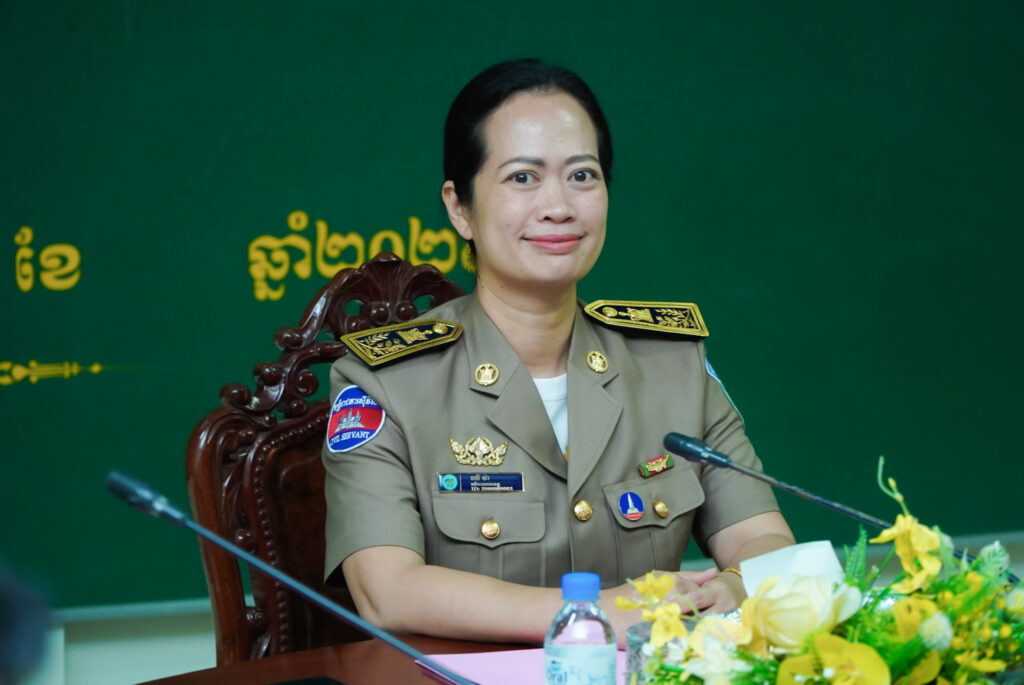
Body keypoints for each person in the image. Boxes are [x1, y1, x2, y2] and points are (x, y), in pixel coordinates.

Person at [322, 58, 795, 645]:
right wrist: (592, 613)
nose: (559, 206)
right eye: (523, 177)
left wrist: (734, 587)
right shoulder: (384, 383)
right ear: (460, 208)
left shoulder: (673, 365)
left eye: (582, 176)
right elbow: (387, 591)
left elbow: (761, 538)